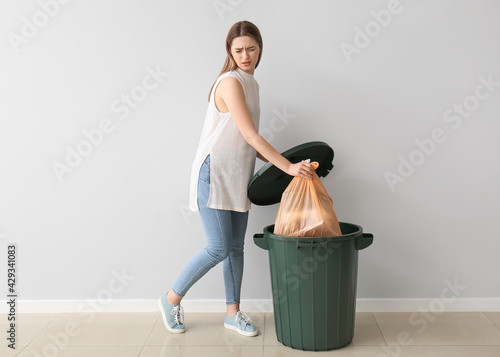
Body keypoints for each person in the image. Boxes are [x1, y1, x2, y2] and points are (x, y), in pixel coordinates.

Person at [158, 20, 313, 337]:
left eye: (252, 49)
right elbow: (253, 137)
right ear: (229, 51)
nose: (246, 56)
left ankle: (233, 313)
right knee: (218, 248)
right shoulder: (230, 82)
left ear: (260, 50)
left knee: (236, 248)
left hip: (237, 173)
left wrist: (289, 165)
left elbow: (246, 141)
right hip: (213, 173)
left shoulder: (252, 84)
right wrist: (287, 167)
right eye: (239, 50)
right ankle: (170, 298)